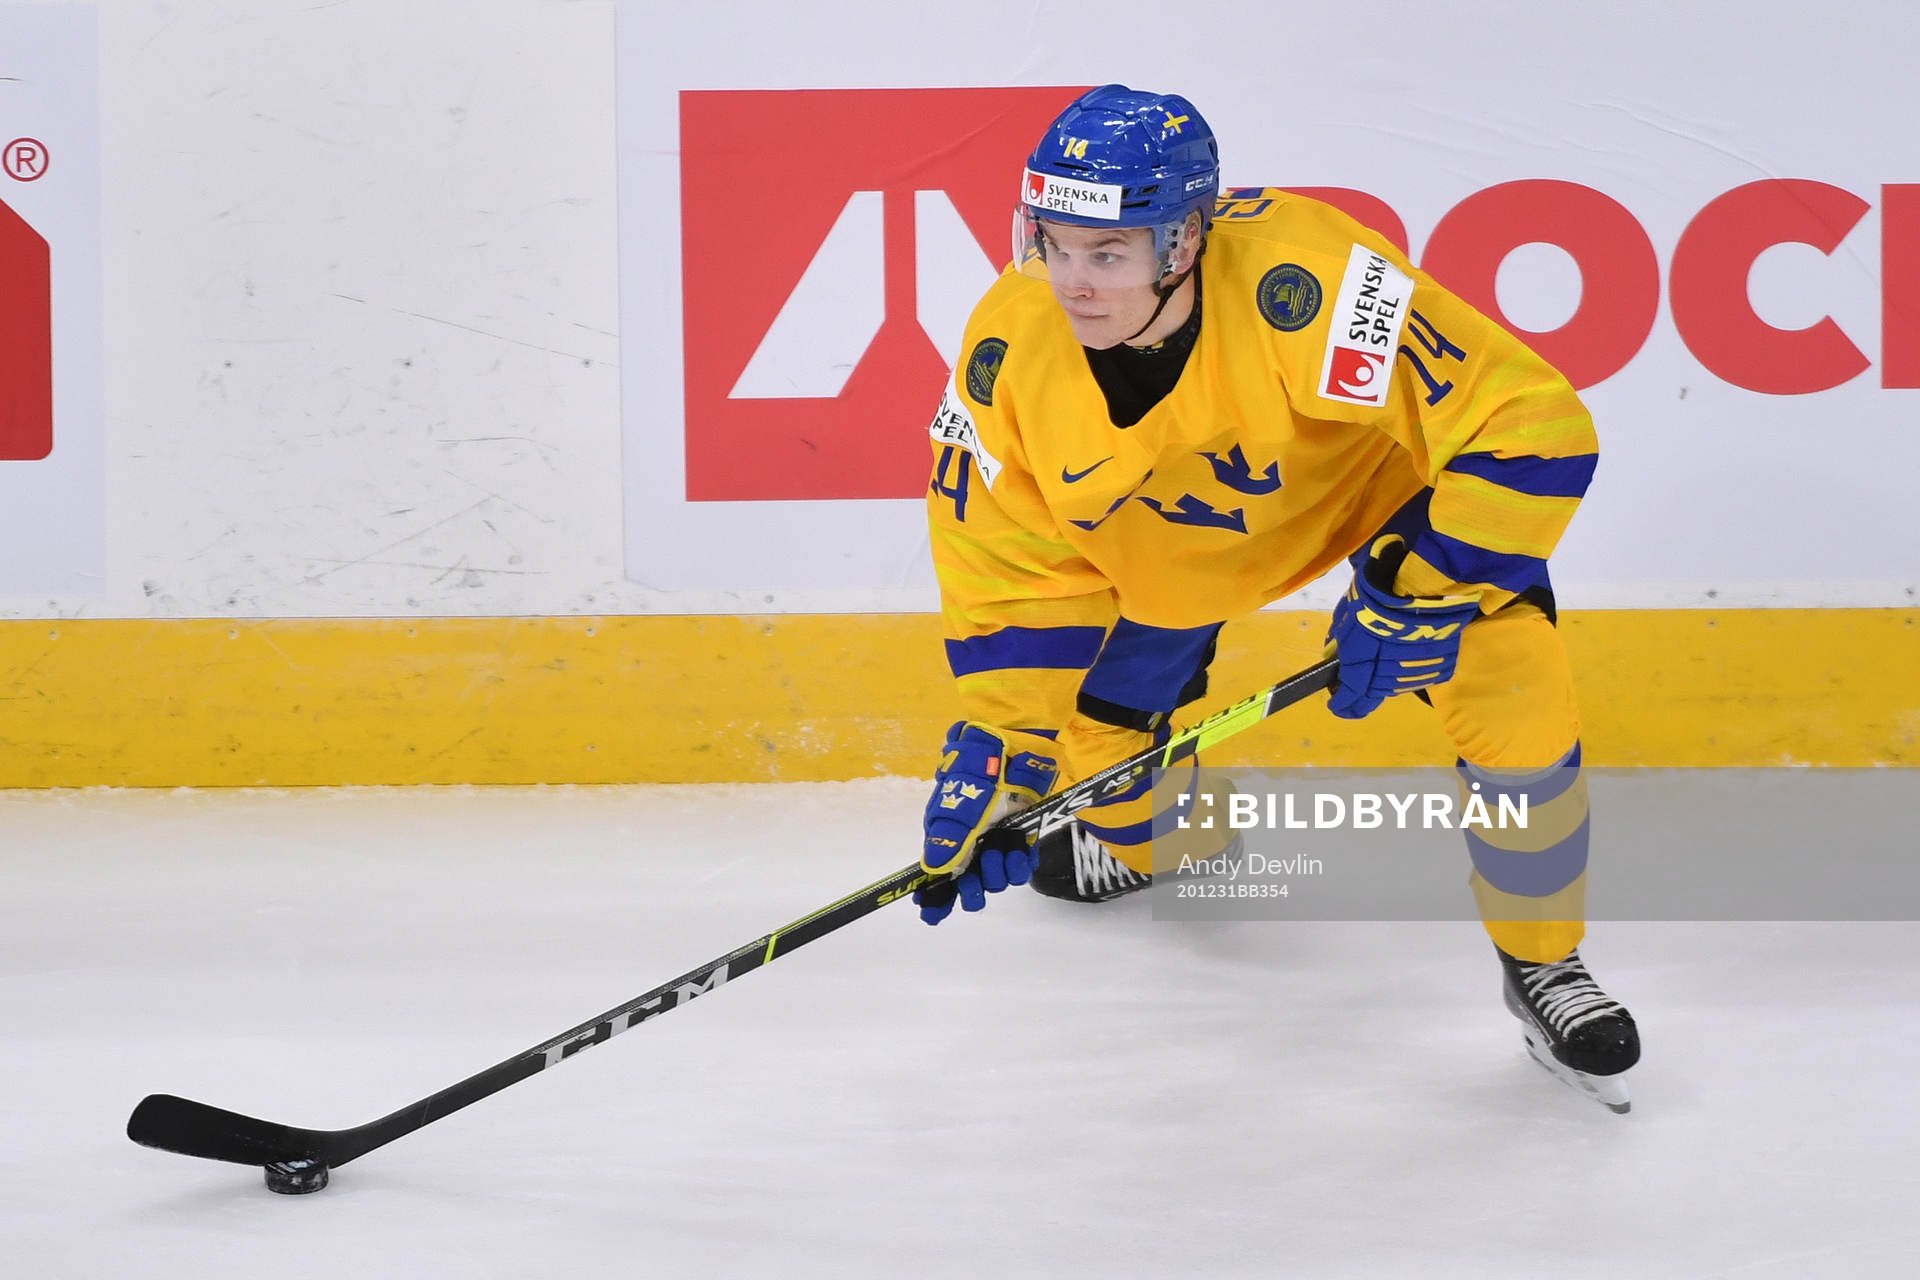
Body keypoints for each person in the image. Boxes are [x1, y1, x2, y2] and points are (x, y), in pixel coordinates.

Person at [913, 85, 1638, 1111]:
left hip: (1376, 503)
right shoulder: (1005, 352)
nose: (1072, 283)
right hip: (1173, 561)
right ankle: (1167, 837)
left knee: (1515, 679)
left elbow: (1532, 426)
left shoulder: (1312, 283)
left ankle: (1544, 962)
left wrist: (1422, 595)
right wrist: (1011, 754)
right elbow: (1005, 563)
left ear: (1184, 241)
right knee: (1112, 791)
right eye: (1053, 243)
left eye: (1107, 255)